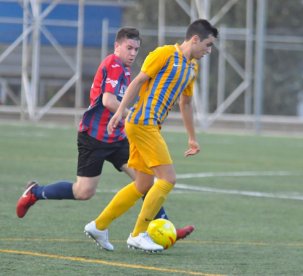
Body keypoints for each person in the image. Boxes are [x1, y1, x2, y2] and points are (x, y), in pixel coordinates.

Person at [15, 27, 194, 250]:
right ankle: (35, 192)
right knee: (84, 192)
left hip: (118, 138)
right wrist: (136, 116)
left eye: (136, 49)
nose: (132, 53)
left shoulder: (126, 70)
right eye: (128, 48)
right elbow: (109, 101)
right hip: (94, 137)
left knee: (144, 180)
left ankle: (163, 228)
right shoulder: (113, 64)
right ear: (116, 46)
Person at [84, 19, 218, 253]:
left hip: (149, 125)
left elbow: (185, 104)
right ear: (194, 39)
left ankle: (99, 225)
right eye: (207, 45)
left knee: (143, 183)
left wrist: (192, 138)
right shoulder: (165, 54)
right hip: (142, 122)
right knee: (167, 179)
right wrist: (118, 115)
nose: (209, 51)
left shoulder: (192, 68)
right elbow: (138, 81)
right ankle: (138, 235)